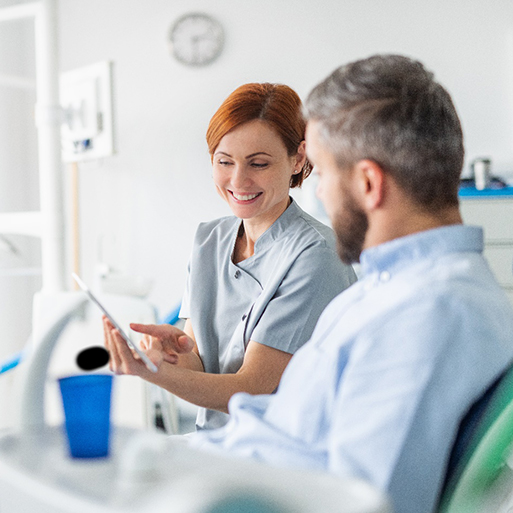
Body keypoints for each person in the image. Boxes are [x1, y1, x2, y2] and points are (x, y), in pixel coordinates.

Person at [186, 55, 513, 513]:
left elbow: (363, 501)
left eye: (321, 170)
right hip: (227, 468)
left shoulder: (429, 313)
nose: (318, 191)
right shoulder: (386, 288)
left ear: (367, 183)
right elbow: (284, 423)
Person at [104, 82, 357, 430]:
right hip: (218, 444)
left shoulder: (316, 253)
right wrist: (173, 355)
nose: (239, 180)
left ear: (298, 158)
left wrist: (153, 373)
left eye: (259, 163)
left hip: (282, 456)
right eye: (225, 161)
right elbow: (200, 365)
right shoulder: (209, 239)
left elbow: (250, 389)